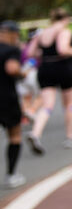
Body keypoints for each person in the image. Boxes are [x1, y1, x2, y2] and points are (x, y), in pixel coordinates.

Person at [27, 8, 72, 153]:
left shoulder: (42, 33)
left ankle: (35, 133)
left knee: (47, 105)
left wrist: (45, 53)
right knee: (69, 103)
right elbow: (62, 49)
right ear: (65, 19)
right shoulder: (63, 31)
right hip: (62, 67)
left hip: (45, 68)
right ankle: (70, 137)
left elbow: (30, 52)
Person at [0, 21, 29, 188]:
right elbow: (12, 69)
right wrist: (22, 73)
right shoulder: (11, 50)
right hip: (6, 98)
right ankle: (11, 175)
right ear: (11, 33)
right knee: (15, 135)